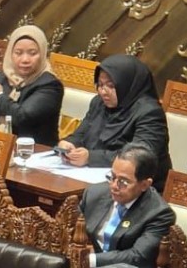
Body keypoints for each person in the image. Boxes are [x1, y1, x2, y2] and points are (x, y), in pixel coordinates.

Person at [58, 53, 172, 192]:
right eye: (100, 85)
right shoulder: (99, 103)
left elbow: (138, 156)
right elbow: (82, 133)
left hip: (140, 191)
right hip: (94, 182)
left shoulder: (150, 113)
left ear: (126, 84)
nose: (103, 91)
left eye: (110, 86)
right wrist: (69, 144)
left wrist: (90, 158)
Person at [79, 142, 174, 268]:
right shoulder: (94, 193)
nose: (113, 186)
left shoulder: (159, 213)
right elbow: (72, 230)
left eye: (123, 182)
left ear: (145, 185)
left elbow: (137, 257)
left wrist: (90, 259)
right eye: (112, 177)